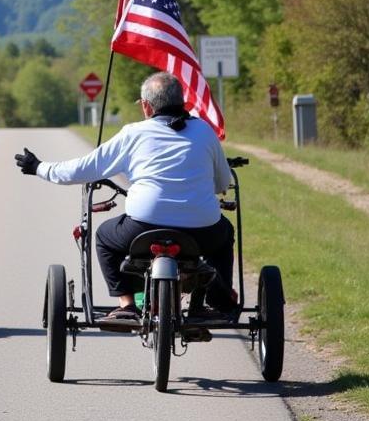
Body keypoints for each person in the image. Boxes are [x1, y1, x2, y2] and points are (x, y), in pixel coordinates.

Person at [14, 71, 235, 326]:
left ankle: (126, 304)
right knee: (224, 234)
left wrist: (39, 167)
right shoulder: (205, 132)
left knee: (104, 237)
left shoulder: (133, 134)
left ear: (146, 106)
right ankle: (214, 300)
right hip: (202, 230)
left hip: (144, 224)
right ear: (183, 101)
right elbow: (222, 183)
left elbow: (82, 168)